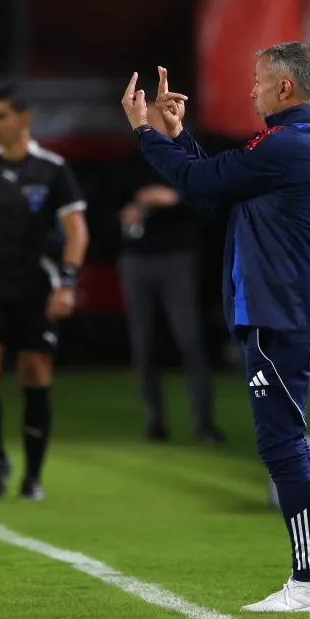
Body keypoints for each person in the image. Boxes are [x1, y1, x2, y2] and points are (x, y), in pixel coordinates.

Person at [121, 43, 310, 612]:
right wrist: (178, 137)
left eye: (256, 80)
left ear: (284, 89)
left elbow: (201, 184)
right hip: (286, 310)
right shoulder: (294, 144)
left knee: (281, 443)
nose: (249, 91)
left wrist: (147, 132)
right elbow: (217, 187)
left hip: (280, 313)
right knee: (283, 439)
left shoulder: (287, 145)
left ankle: (308, 585)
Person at [0, 84, 89, 501]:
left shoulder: (53, 169)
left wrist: (67, 282)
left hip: (37, 286)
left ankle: (33, 475)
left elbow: (76, 230)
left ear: (24, 119)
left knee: (34, 374)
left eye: (0, 116)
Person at [119, 172, 223, 444]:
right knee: (143, 343)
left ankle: (204, 424)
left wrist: (174, 199)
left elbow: (212, 207)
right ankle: (155, 423)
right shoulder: (128, 163)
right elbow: (100, 210)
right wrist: (126, 214)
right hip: (136, 260)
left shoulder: (185, 157)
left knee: (190, 340)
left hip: (179, 258)